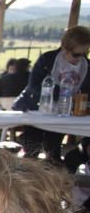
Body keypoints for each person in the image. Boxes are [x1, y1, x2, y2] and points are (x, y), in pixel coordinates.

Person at [14, 25, 90, 164]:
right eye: (76, 54)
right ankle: (25, 182)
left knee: (53, 152)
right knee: (31, 152)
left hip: (64, 114)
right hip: (38, 111)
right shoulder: (47, 60)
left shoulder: (86, 65)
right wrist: (61, 94)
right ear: (65, 48)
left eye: (85, 53)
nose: (80, 58)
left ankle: (52, 182)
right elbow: (33, 86)